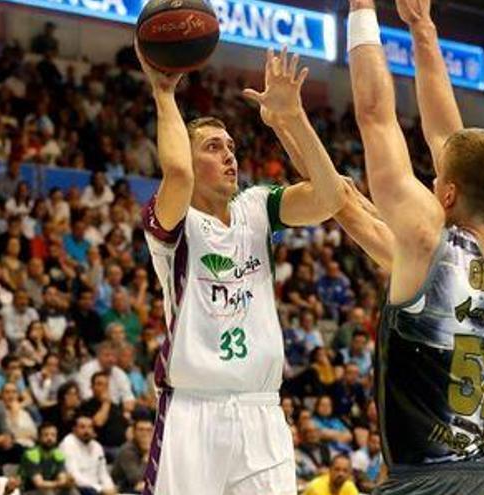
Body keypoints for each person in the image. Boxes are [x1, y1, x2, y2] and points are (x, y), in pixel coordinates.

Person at [334, 0, 484, 493]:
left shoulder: (422, 236)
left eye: (439, 176)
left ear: (448, 192)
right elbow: (450, 138)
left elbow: (374, 117)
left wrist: (362, 9)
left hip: (434, 479)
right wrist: (422, 29)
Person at [138, 38, 345, 494]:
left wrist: (293, 118)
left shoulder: (256, 206)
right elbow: (177, 174)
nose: (230, 154)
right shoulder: (174, 223)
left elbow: (330, 197)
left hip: (261, 409)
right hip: (193, 412)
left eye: (230, 145)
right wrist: (163, 92)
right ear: (191, 160)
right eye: (213, 147)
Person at [58, 416, 116, 495]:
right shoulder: (67, 444)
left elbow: (103, 473)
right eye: (82, 427)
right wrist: (100, 489)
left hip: (98, 488)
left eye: (90, 427)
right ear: (74, 429)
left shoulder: (97, 446)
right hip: (80, 488)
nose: (87, 431)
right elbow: (74, 475)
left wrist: (110, 488)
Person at [78, 372, 128, 457]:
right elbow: (98, 423)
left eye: (106, 385)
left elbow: (125, 426)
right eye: (100, 384)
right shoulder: (86, 406)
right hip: (101, 448)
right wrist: (106, 403)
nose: (104, 388)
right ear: (92, 387)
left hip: (121, 446)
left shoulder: (115, 406)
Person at [18, 422, 74, 495]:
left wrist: (67, 482)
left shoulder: (58, 454)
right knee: (49, 493)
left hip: (50, 489)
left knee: (73, 491)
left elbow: (61, 478)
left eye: (53, 435)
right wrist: (60, 483)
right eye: (46, 435)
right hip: (29, 491)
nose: (50, 438)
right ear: (39, 437)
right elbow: (39, 484)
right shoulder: (31, 454)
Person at [111, 418, 152, 493]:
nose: (145, 434)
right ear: (134, 432)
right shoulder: (127, 451)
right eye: (141, 430)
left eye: (149, 430)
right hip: (122, 489)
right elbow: (136, 478)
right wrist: (147, 455)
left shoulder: (156, 448)